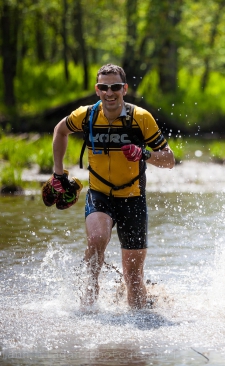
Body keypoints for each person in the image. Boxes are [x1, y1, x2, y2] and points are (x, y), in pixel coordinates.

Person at [51, 64, 175, 309]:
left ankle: (138, 328)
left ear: (124, 89)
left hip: (133, 197)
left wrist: (143, 154)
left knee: (133, 275)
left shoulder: (140, 118)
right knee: (97, 238)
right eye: (104, 87)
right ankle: (88, 304)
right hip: (99, 194)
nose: (110, 92)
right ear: (97, 90)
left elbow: (169, 159)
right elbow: (60, 130)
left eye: (115, 87)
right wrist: (58, 172)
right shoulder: (85, 115)